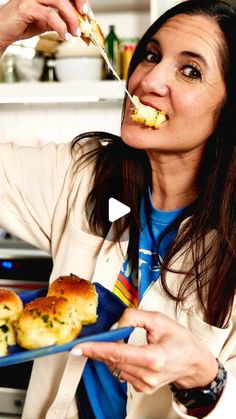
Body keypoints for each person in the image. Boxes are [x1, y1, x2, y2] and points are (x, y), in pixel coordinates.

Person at [0, 0, 235, 417]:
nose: (149, 80)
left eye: (190, 70)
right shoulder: (82, 175)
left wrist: (206, 378)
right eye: (151, 56)